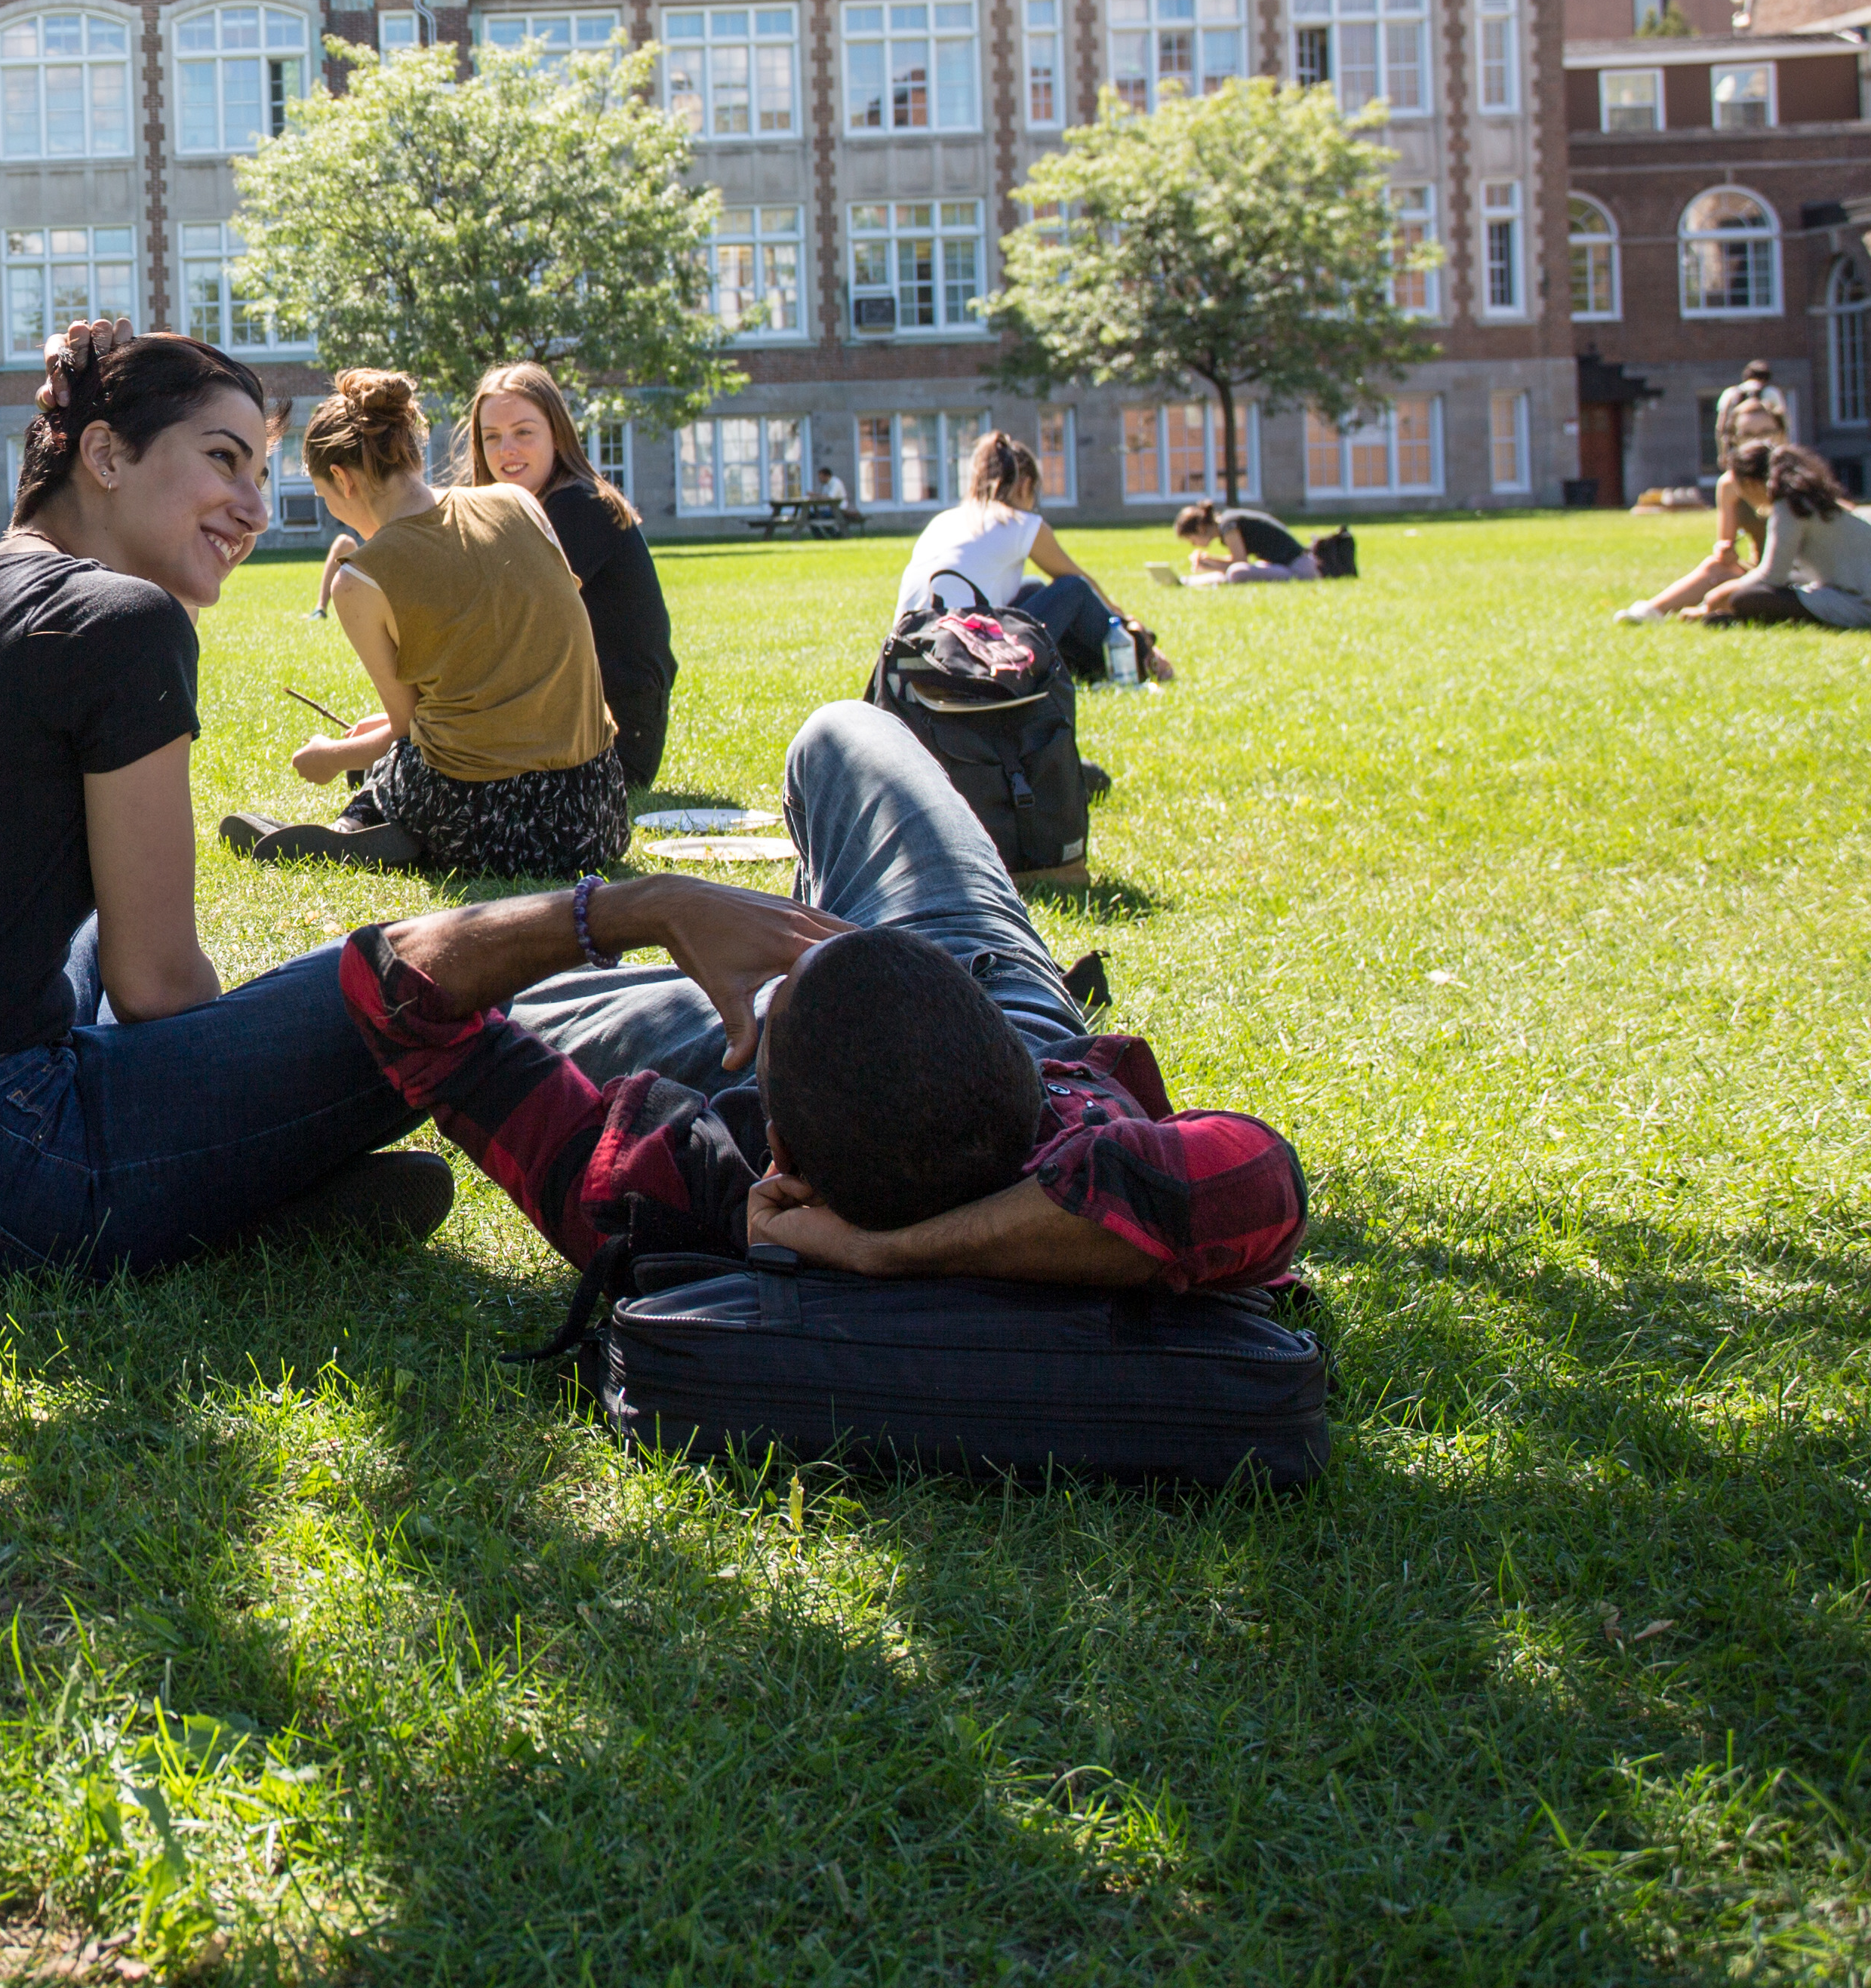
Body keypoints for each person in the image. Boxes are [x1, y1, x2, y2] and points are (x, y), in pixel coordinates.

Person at [0, 319, 461, 1279]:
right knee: (428, 978)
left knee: (88, 934)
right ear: (104, 455)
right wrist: (262, 1086)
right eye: (225, 461)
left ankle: (229, 1204)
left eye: (261, 475)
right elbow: (156, 990)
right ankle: (239, 1192)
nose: (256, 511)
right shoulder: (122, 619)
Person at [325, 700, 1308, 1298]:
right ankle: (889, 1007)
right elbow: (1259, 1172)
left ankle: (713, 995)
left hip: (861, 1064)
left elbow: (393, 983)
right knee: (843, 732)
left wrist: (643, 906)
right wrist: (885, 1250)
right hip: (1007, 997)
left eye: (782, 988)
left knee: (532, 1001)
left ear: (780, 1150)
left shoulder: (688, 1197)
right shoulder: (1103, 1162)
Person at [232, 368, 623, 876]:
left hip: (490, 826)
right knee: (403, 755)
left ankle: (356, 824)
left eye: (328, 499)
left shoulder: (358, 579)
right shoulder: (518, 502)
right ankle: (376, 823)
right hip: (595, 812)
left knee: (397, 761)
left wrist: (332, 756)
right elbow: (506, 676)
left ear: (344, 479)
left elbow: (405, 729)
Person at [462, 362, 676, 792]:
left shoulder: (580, 507)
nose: (506, 450)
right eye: (492, 437)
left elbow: (498, 633)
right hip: (558, 721)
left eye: (524, 432)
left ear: (557, 436)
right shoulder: (524, 512)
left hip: (612, 747)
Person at [897, 430, 1167, 684]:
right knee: (1073, 590)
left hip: (912, 653)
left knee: (1032, 589)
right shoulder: (1017, 521)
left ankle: (1086, 668)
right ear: (1025, 485)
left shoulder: (944, 520)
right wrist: (1123, 621)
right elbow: (1079, 581)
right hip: (968, 657)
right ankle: (1140, 659)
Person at [1694, 443, 1871, 632]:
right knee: (1755, 596)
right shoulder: (1806, 499)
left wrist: (1715, 598)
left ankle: (1734, 617)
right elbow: (1793, 573)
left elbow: (1772, 577)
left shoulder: (1788, 506)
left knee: (1748, 598)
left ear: (1749, 483)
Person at [1615, 442, 1774, 622]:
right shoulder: (1731, 483)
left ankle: (1707, 611)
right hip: (1758, 567)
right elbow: (1725, 542)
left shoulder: (1784, 485)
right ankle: (1652, 610)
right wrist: (1725, 549)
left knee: (1724, 595)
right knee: (1716, 567)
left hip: (1783, 571)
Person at [1169, 500, 1315, 582]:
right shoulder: (1227, 522)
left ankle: (1188, 582)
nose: (1194, 545)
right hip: (1288, 564)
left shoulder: (1228, 526)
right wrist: (1210, 561)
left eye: (1192, 540)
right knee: (1240, 571)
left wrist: (1209, 564)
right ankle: (1187, 581)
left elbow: (1239, 562)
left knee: (1236, 573)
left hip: (1297, 568)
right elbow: (1237, 559)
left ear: (1200, 529)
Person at [1712, 361, 1793, 479]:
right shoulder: (1771, 392)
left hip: (1740, 454)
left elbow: (1720, 428)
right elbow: (1784, 424)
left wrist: (1722, 455)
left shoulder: (1730, 394)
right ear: (1766, 379)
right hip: (1768, 457)